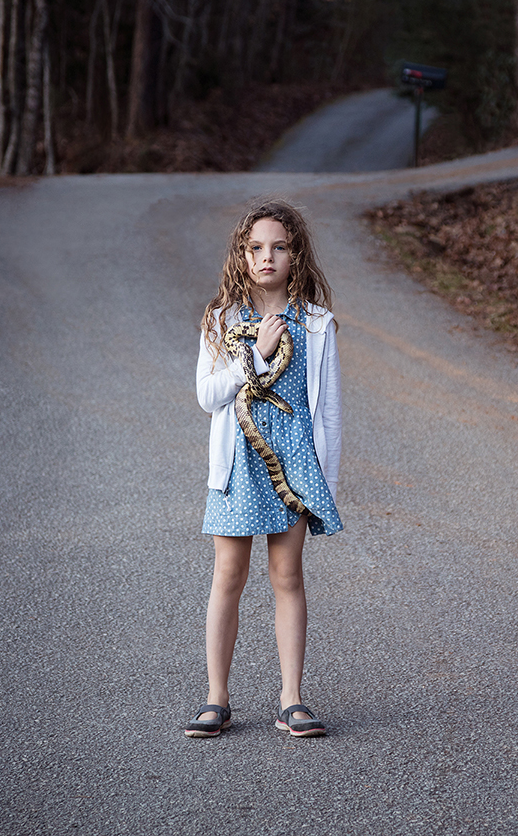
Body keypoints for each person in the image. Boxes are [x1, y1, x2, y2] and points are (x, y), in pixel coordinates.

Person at [187, 199, 342, 739]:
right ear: (242, 255)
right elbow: (209, 396)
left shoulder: (318, 324)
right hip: (238, 462)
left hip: (295, 463)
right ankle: (216, 698)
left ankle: (292, 700)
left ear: (296, 255)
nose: (267, 257)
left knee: (288, 577)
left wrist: (326, 484)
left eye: (279, 247)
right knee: (228, 575)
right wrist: (254, 355)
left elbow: (329, 412)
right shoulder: (222, 319)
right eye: (256, 248)